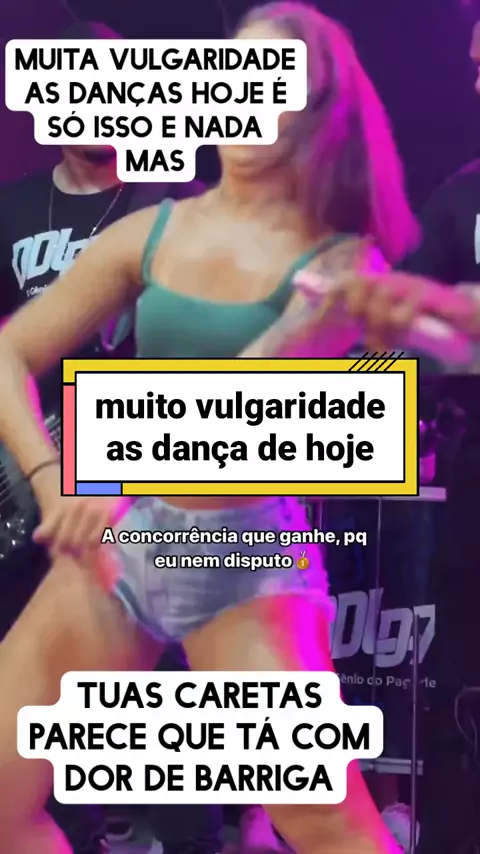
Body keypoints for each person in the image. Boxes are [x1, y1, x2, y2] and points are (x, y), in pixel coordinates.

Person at [0, 3, 420, 853]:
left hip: (243, 562)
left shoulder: (341, 262)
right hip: (130, 542)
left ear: (314, 115)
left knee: (329, 826)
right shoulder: (157, 229)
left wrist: (105, 465)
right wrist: (49, 478)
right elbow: (12, 349)